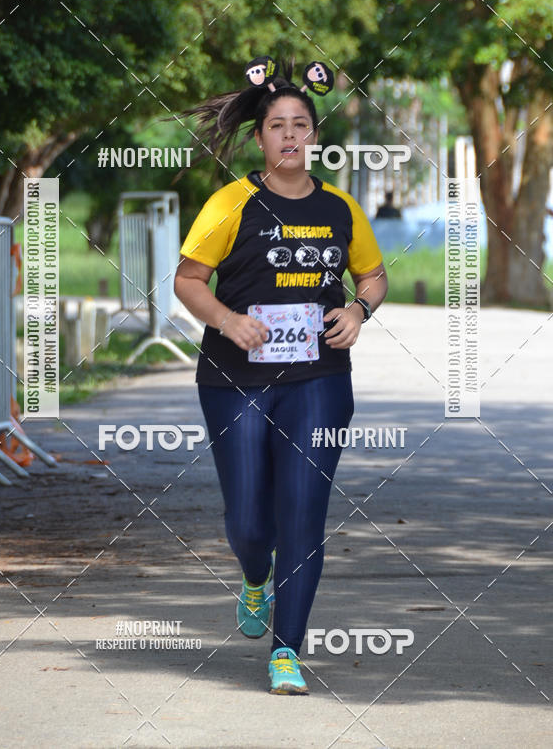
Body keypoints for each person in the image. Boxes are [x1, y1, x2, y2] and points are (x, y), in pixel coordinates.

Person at [173, 57, 388, 695]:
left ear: (313, 136)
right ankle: (253, 578)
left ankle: (286, 650)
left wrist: (358, 309)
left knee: (302, 514)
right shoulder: (229, 203)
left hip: (319, 380)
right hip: (234, 379)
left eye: (300, 125)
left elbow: (373, 277)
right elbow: (188, 280)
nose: (289, 136)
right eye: (277, 126)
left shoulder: (341, 207)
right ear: (260, 136)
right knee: (249, 521)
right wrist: (228, 320)